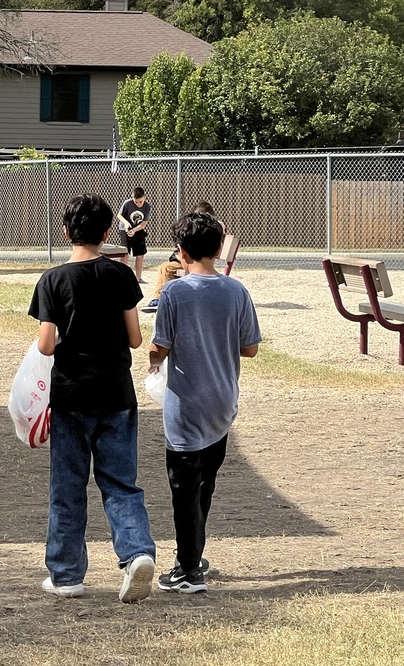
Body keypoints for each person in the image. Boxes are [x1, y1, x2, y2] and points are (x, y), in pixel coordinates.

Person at [27, 194, 157, 603]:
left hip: (71, 396)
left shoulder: (53, 280)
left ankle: (66, 574)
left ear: (65, 232)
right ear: (107, 233)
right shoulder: (120, 275)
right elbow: (136, 338)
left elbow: (47, 346)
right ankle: (136, 553)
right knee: (121, 482)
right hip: (117, 393)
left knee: (68, 485)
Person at [149, 211, 261, 593]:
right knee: (205, 483)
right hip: (222, 401)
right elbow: (250, 348)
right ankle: (193, 554)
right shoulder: (236, 291)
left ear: (180, 252)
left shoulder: (175, 293)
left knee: (183, 486)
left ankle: (188, 569)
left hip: (185, 404)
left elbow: (159, 347)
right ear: (218, 248)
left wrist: (152, 364)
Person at [142, 201, 225, 314]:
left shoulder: (208, 230)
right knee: (166, 266)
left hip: (195, 262)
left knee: (166, 267)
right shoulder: (215, 230)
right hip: (198, 260)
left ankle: (158, 299)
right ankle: (158, 298)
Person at [117, 187, 150, 283]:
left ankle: (138, 278)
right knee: (125, 253)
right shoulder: (127, 203)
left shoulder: (147, 206)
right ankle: (122, 277)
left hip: (138, 229)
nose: (138, 204)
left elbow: (144, 223)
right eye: (136, 202)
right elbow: (119, 215)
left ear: (145, 197)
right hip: (125, 229)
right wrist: (126, 224)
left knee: (140, 254)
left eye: (140, 202)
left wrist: (135, 230)